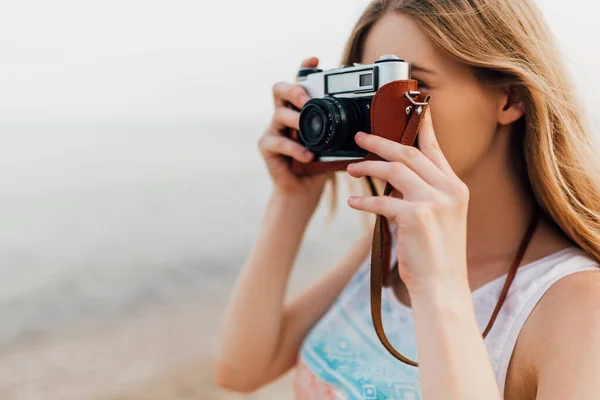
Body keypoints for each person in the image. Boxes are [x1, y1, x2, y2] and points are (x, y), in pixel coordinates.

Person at [213, 0, 600, 398]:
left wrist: (439, 283)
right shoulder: (391, 244)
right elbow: (241, 370)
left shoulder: (578, 306)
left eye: (410, 90)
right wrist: (290, 200)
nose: (383, 120)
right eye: (374, 93)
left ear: (511, 99)